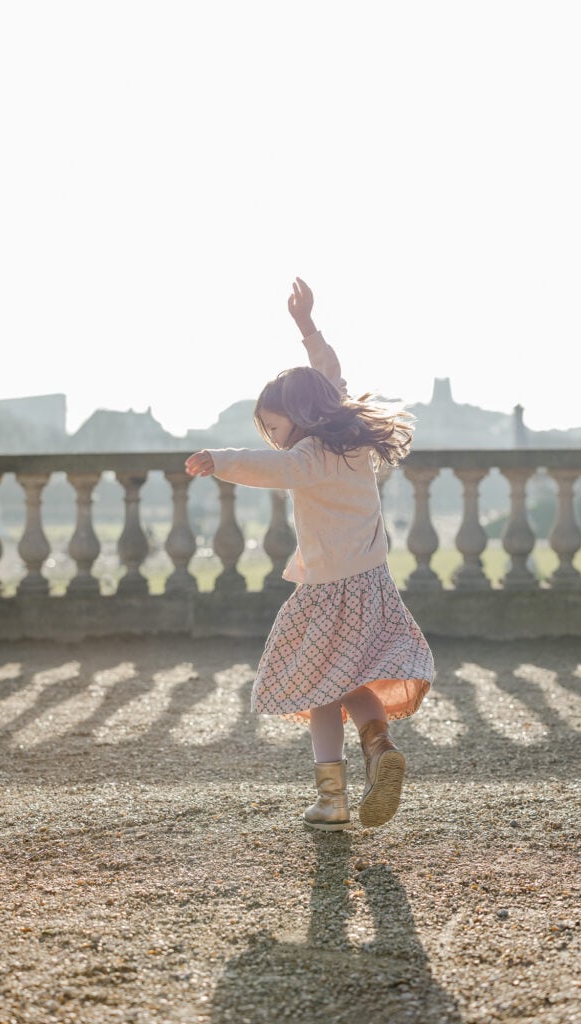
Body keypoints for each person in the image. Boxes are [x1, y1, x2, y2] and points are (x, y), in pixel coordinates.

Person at [185, 278, 434, 831]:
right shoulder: (349, 440)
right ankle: (380, 750)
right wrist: (307, 328)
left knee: (318, 685)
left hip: (326, 591)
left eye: (274, 428)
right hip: (371, 584)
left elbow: (266, 467)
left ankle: (333, 800)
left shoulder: (305, 458)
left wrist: (218, 459)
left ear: (298, 416)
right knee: (353, 680)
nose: (274, 440)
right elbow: (330, 373)